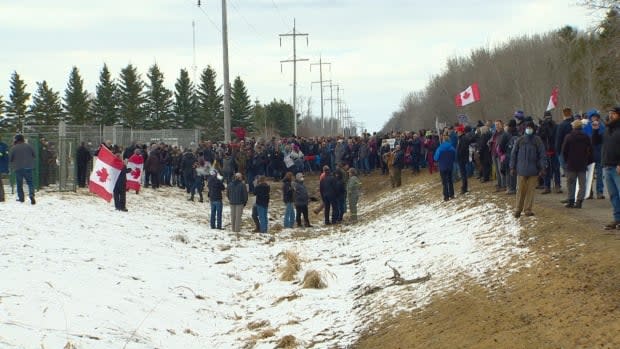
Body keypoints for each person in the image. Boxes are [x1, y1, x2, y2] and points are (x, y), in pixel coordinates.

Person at [510, 122, 547, 218]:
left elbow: (542, 155)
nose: (529, 129)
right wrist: (512, 167)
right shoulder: (520, 140)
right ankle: (518, 209)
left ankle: (527, 210)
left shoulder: (537, 140)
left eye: (531, 128)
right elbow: (513, 154)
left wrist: (543, 167)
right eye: (528, 127)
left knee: (530, 191)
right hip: (521, 170)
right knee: (520, 190)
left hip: (533, 170)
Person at [561, 119, 593, 208]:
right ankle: (579, 201)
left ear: (573, 127)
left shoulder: (569, 137)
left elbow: (564, 151)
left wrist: (566, 160)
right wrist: (588, 161)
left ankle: (571, 200)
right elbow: (590, 150)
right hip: (582, 163)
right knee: (582, 184)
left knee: (571, 183)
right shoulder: (586, 137)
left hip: (571, 163)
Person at [602, 106, 620, 231]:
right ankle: (617, 218)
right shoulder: (607, 129)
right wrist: (594, 130)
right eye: (609, 113)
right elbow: (597, 142)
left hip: (617, 167)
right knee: (613, 195)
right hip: (607, 165)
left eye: (613, 113)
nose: (610, 115)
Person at [9, 134, 36, 204]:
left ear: (16, 140)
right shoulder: (29, 146)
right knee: (30, 183)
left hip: (18, 168)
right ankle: (31, 195)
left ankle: (21, 198)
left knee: (19, 184)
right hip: (28, 167)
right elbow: (34, 155)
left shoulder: (13, 148)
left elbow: (11, 158)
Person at [434, 133, 457, 201]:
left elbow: (435, 158)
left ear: (443, 140)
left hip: (442, 167)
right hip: (450, 166)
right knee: (450, 180)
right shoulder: (452, 148)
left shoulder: (440, 148)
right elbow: (454, 157)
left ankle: (446, 196)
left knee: (444, 182)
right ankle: (452, 194)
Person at [0, 136, 8, 202]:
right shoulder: (4, 145)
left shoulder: (3, 146)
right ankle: (2, 197)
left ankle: (1, 197)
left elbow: (5, 157)